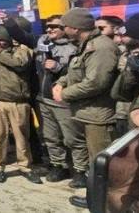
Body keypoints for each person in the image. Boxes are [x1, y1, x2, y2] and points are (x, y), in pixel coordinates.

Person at [52, 8, 121, 209]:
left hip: (99, 115)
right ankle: (96, 197)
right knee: (95, 162)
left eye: (65, 26)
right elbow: (77, 72)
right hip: (88, 112)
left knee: (104, 164)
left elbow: (96, 83)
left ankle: (108, 204)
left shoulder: (101, 47)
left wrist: (64, 94)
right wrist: (61, 82)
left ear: (75, 28)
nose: (63, 29)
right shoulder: (85, 45)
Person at [0, 26, 42, 184]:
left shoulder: (21, 50)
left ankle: (25, 166)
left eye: (1, 40)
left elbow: (19, 64)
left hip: (17, 101)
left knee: (21, 136)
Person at [33, 15, 84, 185]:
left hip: (63, 101)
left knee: (72, 137)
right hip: (44, 99)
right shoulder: (43, 44)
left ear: (65, 28)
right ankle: (58, 165)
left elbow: (78, 74)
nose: (49, 30)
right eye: (47, 27)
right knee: (50, 136)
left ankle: (80, 170)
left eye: (54, 26)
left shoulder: (74, 48)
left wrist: (58, 68)